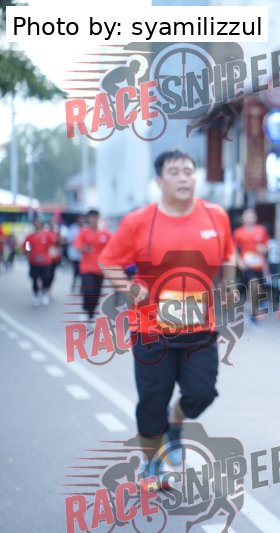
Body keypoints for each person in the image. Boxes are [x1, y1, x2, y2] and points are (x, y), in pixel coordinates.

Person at [99, 149, 235, 485]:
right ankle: (152, 463)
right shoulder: (138, 221)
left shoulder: (216, 216)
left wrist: (229, 286)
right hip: (151, 329)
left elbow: (227, 254)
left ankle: (177, 421)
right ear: (159, 181)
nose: (184, 178)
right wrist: (127, 289)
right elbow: (109, 261)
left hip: (200, 326)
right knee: (151, 402)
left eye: (189, 171)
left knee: (202, 392)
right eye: (174, 172)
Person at [74, 209, 111, 327]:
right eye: (91, 217)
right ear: (88, 219)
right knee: (88, 290)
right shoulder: (83, 233)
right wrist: (85, 248)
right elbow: (78, 247)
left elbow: (112, 248)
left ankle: (91, 314)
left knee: (96, 293)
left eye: (95, 217)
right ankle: (85, 310)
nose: (93, 220)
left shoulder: (105, 234)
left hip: (100, 269)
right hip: (86, 268)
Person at [233, 208, 270, 323]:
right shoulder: (238, 232)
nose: (249, 218)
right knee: (253, 283)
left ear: (255, 218)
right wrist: (239, 262)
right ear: (243, 218)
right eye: (247, 216)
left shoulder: (261, 230)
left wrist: (264, 249)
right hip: (246, 266)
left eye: (251, 216)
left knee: (257, 288)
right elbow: (233, 249)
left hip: (259, 266)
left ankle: (254, 310)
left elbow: (267, 247)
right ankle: (254, 311)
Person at [23, 219, 58, 306]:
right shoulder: (30, 237)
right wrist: (28, 253)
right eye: (35, 224)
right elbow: (26, 247)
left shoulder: (47, 235)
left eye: (38, 224)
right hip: (34, 262)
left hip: (45, 262)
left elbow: (54, 243)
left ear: (41, 225)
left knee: (45, 279)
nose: (37, 226)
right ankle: (36, 295)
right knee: (34, 279)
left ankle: (44, 294)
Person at [66, 216, 85, 292]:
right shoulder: (73, 228)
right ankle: (74, 285)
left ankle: (82, 287)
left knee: (82, 272)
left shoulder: (86, 228)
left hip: (83, 255)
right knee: (75, 271)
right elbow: (69, 239)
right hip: (74, 254)